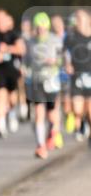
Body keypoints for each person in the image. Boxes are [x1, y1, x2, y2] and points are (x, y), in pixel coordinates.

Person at [25, 12, 64, 158]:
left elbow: (61, 59)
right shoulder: (31, 42)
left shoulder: (56, 40)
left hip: (51, 81)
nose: (40, 30)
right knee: (38, 114)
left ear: (47, 27)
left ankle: (53, 132)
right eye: (38, 28)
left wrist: (54, 61)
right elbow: (27, 61)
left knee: (51, 114)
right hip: (37, 81)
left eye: (42, 27)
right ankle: (40, 146)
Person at [0, 9, 24, 137]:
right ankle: (1, 124)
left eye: (1, 20)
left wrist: (8, 49)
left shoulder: (13, 34)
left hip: (12, 69)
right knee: (0, 96)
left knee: (12, 99)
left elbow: (21, 49)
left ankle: (12, 113)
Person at [65, 8, 91, 143]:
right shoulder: (71, 37)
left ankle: (86, 124)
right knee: (77, 108)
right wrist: (67, 64)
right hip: (77, 77)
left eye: (80, 18)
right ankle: (81, 125)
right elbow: (66, 54)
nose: (77, 21)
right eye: (76, 19)